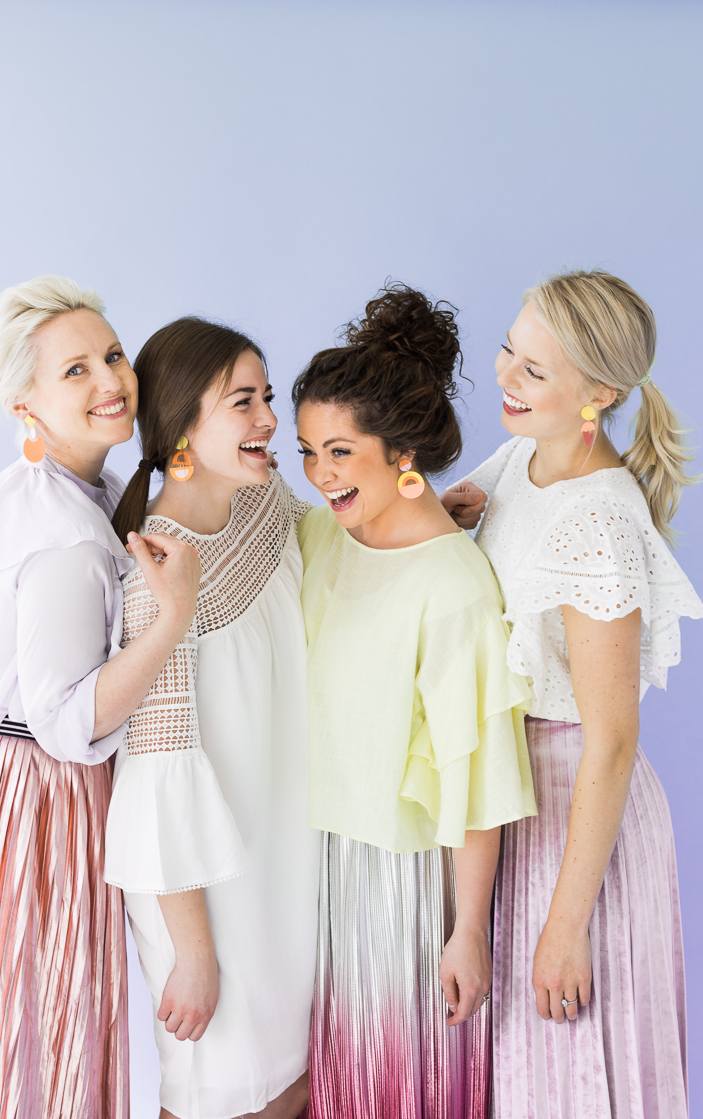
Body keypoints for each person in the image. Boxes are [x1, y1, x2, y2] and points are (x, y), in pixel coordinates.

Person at [443, 269, 702, 1119]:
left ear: (601, 395)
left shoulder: (598, 520)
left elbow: (613, 739)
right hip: (515, 803)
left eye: (534, 370)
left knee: (569, 1079)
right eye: (509, 352)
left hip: (575, 822)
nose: (505, 377)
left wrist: (566, 924)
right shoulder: (524, 458)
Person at [0, 276, 201, 1118]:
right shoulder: (63, 535)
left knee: (18, 1033)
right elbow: (65, 721)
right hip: (33, 796)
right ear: (25, 404)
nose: (111, 380)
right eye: (76, 370)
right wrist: (170, 622)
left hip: (3, 778)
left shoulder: (53, 488)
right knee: (40, 1039)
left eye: (112, 355)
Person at [292, 284, 536, 1119]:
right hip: (315, 871)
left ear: (401, 452)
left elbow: (477, 777)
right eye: (307, 452)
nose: (321, 474)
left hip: (401, 891)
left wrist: (468, 929)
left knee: (400, 1092)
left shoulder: (455, 587)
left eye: (340, 452)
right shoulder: (322, 535)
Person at [105, 316, 319, 1119]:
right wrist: (192, 953)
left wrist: (427, 515)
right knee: (219, 1094)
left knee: (290, 1087)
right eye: (243, 402)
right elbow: (157, 776)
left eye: (267, 395)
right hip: (208, 894)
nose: (270, 418)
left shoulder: (262, 503)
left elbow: (335, 549)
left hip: (282, 857)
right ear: (183, 426)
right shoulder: (157, 574)